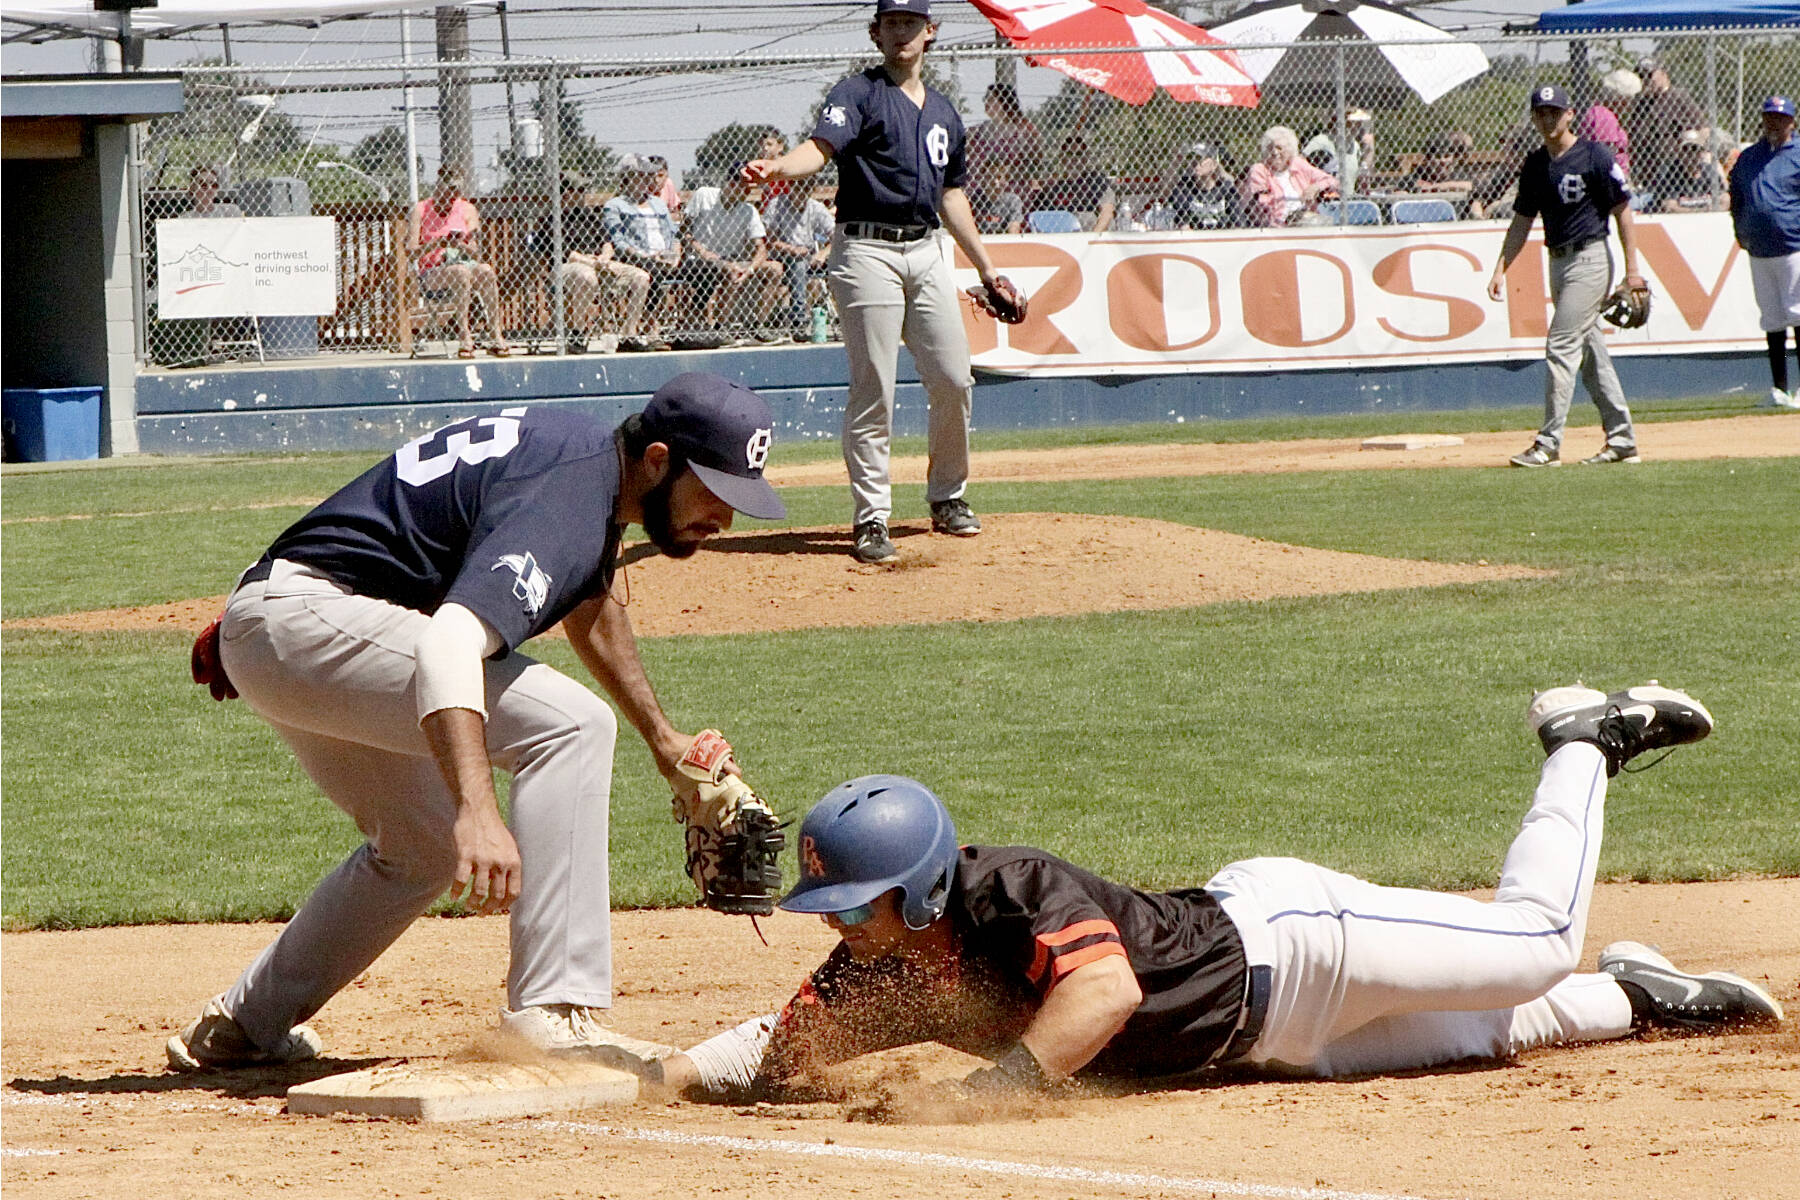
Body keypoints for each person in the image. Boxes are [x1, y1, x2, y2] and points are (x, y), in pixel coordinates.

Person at [634, 682, 1780, 1100]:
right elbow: (783, 1045)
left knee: (1530, 945)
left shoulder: (1014, 890)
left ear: (923, 893)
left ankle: (1581, 739)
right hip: (1271, 1046)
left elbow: (1105, 998)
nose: (841, 928)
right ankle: (1640, 998)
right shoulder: (881, 959)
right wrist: (670, 1075)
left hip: (1297, 946)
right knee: (1489, 1032)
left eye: (854, 906)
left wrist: (986, 1092)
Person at [166, 372, 789, 1071]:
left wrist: (664, 741)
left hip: (289, 624)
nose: (726, 518)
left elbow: (591, 604)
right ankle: (552, 1013)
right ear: (657, 461)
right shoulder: (570, 493)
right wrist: (478, 807)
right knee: (572, 726)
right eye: (715, 491)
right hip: (309, 619)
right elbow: (448, 641)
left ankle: (244, 1023)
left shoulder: (585, 471)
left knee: (420, 847)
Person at [742, 0, 1008, 565]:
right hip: (865, 249)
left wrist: (986, 267)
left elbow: (951, 194)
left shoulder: (943, 112)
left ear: (930, 32)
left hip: (927, 248)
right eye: (891, 23)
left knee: (955, 378)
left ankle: (948, 497)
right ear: (876, 33)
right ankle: (871, 517)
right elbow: (818, 150)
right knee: (875, 388)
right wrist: (776, 169)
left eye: (911, 22)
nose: (900, 31)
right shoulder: (857, 93)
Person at [1488, 84, 1644, 468]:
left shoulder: (1593, 155)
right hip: (1557, 262)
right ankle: (1622, 439)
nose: (1548, 118)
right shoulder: (1536, 164)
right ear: (1533, 117)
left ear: (1570, 114)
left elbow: (1623, 210)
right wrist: (1500, 268)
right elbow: (1522, 221)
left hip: (1591, 259)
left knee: (1560, 345)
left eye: (1555, 111)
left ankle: (1548, 443)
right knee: (1591, 355)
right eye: (1541, 112)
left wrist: (1633, 269)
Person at [1728, 95, 1800, 410]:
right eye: (1769, 117)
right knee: (1772, 319)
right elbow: (1737, 196)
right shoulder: (1749, 157)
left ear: (1792, 122)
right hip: (1759, 249)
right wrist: (1740, 231)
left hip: (1793, 246)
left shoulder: (1798, 154)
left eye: (1780, 118)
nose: (1774, 123)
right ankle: (1779, 388)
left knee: (1797, 313)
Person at [532, 171, 650, 353]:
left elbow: (607, 243)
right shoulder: (550, 220)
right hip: (568, 267)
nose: (583, 194)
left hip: (599, 262)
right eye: (578, 189)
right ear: (565, 193)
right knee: (586, 276)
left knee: (641, 277)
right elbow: (566, 254)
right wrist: (591, 262)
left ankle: (629, 334)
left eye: (583, 189)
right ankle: (578, 334)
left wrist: (604, 257)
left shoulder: (589, 216)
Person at [407, 164, 512, 358]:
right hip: (434, 270)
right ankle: (464, 335)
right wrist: (436, 244)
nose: (449, 200)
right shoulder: (421, 209)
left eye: (454, 195)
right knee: (460, 273)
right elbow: (411, 252)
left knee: (486, 270)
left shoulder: (466, 208)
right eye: (446, 194)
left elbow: (475, 253)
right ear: (438, 188)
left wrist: (459, 244)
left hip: (464, 262)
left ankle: (495, 333)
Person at [681, 169, 784, 333]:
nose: (747, 192)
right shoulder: (704, 195)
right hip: (701, 259)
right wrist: (702, 251)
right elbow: (684, 231)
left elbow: (761, 248)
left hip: (734, 259)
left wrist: (750, 269)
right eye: (743, 186)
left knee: (774, 269)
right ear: (730, 183)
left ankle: (758, 326)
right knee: (731, 270)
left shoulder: (749, 210)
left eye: (750, 188)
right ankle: (721, 328)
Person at [603, 155, 685, 348]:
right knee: (653, 272)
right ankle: (652, 330)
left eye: (649, 175)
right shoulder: (615, 206)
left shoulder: (658, 203)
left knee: (705, 269)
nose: (647, 180)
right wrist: (645, 255)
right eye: (641, 175)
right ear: (628, 178)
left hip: (666, 257)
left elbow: (674, 234)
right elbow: (618, 241)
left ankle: (693, 327)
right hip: (638, 257)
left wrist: (675, 255)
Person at [1625, 57, 1706, 211]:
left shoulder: (1678, 97)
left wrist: (1692, 155)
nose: (1646, 80)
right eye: (1642, 76)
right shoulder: (1640, 103)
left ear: (1662, 73)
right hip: (1647, 175)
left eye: (1649, 75)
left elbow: (1703, 129)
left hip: (1674, 173)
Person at [763, 172, 837, 337]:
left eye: (806, 188)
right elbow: (769, 240)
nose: (800, 192)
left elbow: (837, 236)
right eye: (797, 187)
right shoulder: (777, 205)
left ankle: (837, 316)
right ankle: (798, 318)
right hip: (780, 254)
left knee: (803, 262)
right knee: (798, 262)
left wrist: (823, 253)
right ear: (790, 187)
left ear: (811, 189)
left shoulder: (815, 208)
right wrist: (791, 249)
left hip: (807, 256)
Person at [1241, 126, 1337, 227]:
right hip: (1277, 225)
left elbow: (1332, 181)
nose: (1274, 152)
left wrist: (1316, 187)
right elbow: (1262, 204)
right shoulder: (1260, 170)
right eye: (1270, 148)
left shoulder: (1298, 164)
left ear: (1290, 150)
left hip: (1305, 219)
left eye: (1279, 148)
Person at [966, 83, 1046, 194]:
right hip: (979, 189)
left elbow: (1036, 161)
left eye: (990, 99)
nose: (986, 102)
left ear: (1004, 101)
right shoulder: (978, 131)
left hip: (1013, 189)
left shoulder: (1024, 130)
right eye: (986, 99)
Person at [1029, 132, 1117, 232]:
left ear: (1085, 158)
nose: (1074, 159)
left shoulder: (1096, 181)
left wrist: (1092, 238)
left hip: (1089, 232)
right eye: (1070, 154)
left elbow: (1107, 212)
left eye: (1079, 154)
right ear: (1062, 158)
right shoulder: (1055, 188)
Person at [1163, 140, 1244, 231]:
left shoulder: (1226, 189)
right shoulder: (1184, 189)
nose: (1195, 162)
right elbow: (1183, 226)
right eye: (1192, 158)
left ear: (1213, 164)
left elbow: (1238, 224)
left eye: (1200, 159)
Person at [1579, 69, 1639, 183]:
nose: (1633, 103)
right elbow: (1606, 157)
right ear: (1622, 98)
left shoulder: (1609, 115)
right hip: (1612, 183)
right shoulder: (1603, 116)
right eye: (1631, 98)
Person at [1659, 130, 1728, 212]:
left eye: (1696, 149)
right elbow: (1669, 206)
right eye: (1686, 149)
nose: (1692, 153)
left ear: (1703, 152)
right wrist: (1700, 211)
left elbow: (1725, 199)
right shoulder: (1673, 174)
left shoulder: (1710, 172)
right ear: (1680, 153)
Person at [966, 157, 1025, 235]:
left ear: (1006, 180)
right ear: (983, 180)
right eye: (990, 177)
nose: (995, 181)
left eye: (999, 177)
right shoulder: (974, 199)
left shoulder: (1013, 200)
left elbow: (1014, 228)